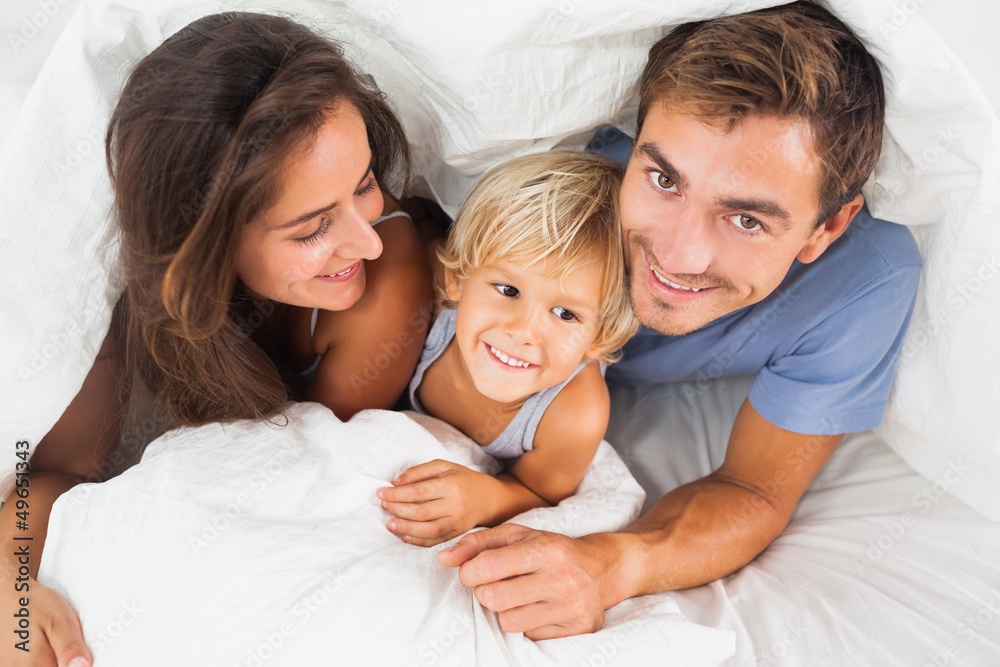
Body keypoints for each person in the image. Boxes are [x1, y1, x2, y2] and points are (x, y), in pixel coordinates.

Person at [438, 1, 923, 640]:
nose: (677, 255)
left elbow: (755, 490)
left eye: (747, 219)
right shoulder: (571, 162)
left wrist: (610, 564)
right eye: (664, 178)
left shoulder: (867, 280)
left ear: (826, 227)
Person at [0, 12, 430, 667]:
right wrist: (11, 584)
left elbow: (309, 475)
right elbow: (47, 472)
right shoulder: (124, 309)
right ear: (209, 242)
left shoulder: (383, 287)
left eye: (364, 182)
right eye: (312, 227)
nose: (365, 240)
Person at [378, 152, 639, 546]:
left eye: (565, 314)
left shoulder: (575, 413)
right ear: (457, 279)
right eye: (508, 290)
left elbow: (537, 492)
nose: (523, 332)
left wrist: (483, 499)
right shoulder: (427, 304)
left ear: (598, 340)